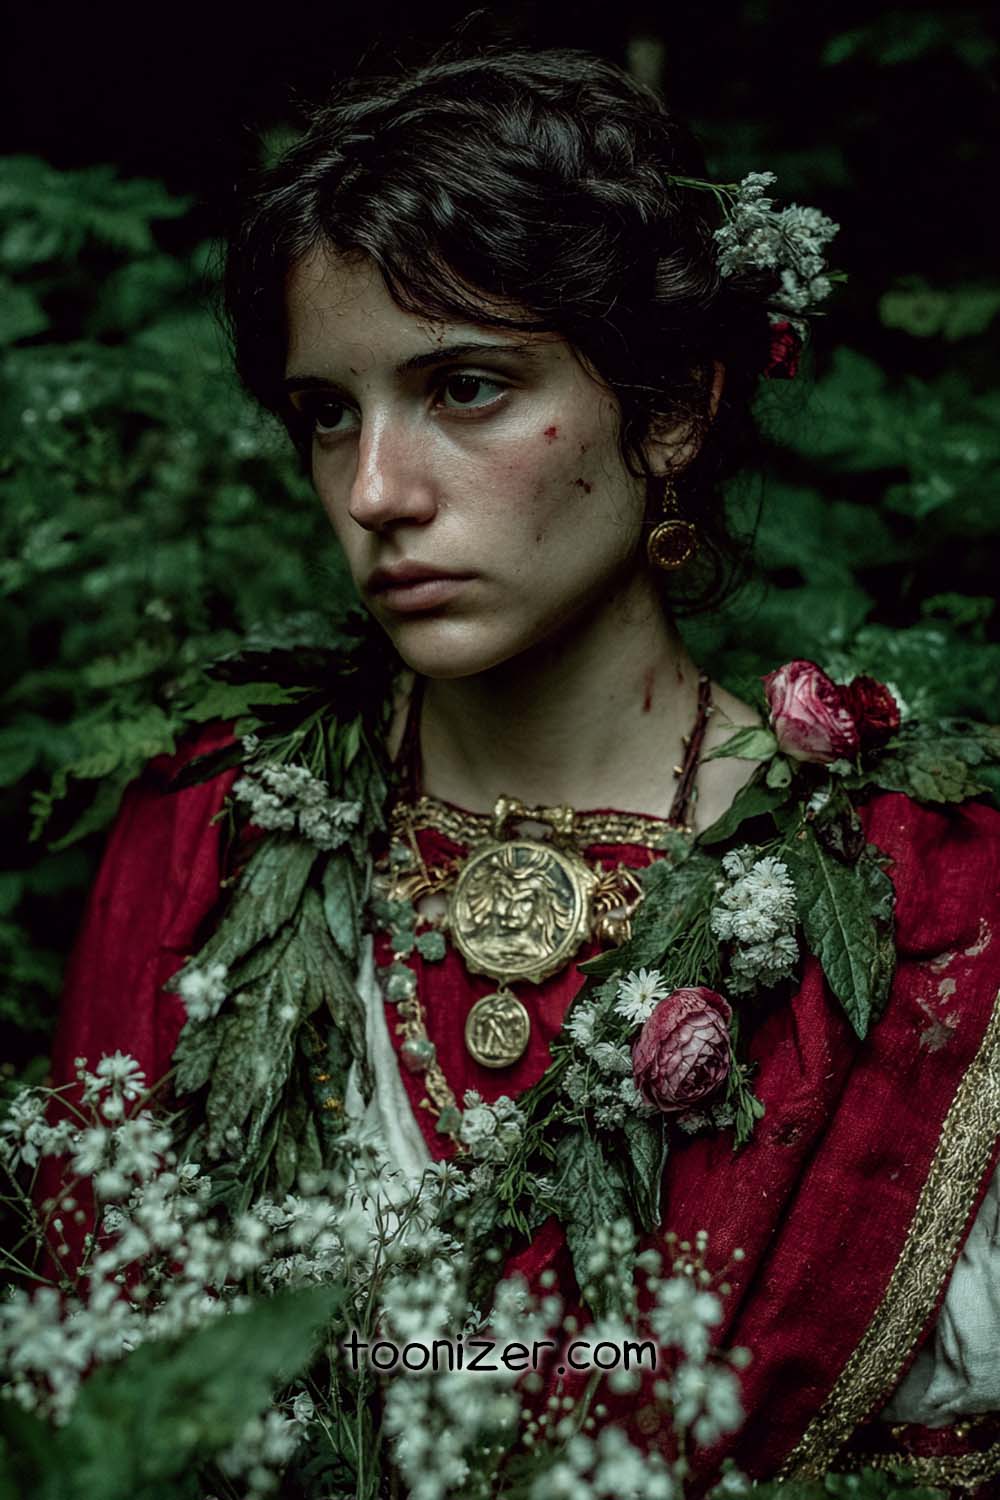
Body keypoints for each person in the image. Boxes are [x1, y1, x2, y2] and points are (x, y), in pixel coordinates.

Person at [47, 46, 1000, 1496]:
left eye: (468, 389)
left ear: (671, 406)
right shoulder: (201, 839)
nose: (375, 492)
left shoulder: (940, 900)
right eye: (327, 413)